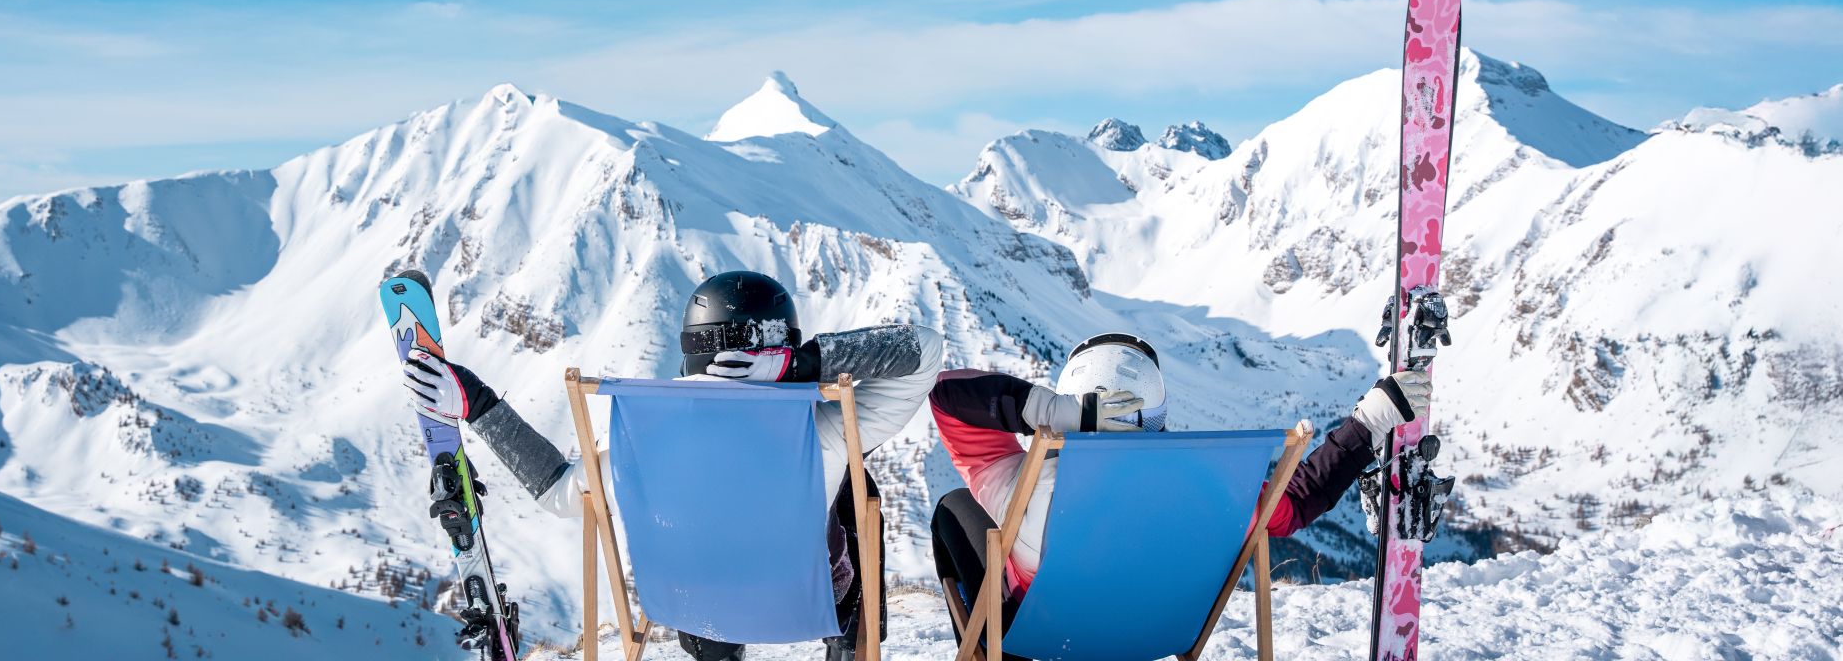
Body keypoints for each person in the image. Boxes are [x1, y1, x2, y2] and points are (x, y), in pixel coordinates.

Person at [401, 271, 943, 661]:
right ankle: (850, 647)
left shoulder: (649, 444)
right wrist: (803, 364)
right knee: (856, 487)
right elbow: (925, 348)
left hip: (696, 609)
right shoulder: (825, 434)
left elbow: (559, 492)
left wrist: (479, 403)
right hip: (811, 601)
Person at [926, 332, 1430, 635]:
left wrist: (1055, 415)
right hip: (1153, 633)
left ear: (1072, 397)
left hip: (1037, 634)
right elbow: (1298, 500)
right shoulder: (1209, 485)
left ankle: (984, 651)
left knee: (953, 506)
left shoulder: (1018, 482)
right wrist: (1368, 423)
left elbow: (944, 392)